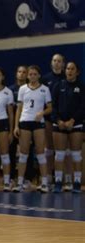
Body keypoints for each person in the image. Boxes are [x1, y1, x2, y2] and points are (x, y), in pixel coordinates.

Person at [13, 65, 52, 193]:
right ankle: (19, 183)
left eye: (35, 74)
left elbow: (50, 108)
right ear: (28, 76)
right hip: (25, 122)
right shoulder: (23, 89)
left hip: (38, 123)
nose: (32, 76)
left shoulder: (45, 89)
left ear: (39, 75)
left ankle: (45, 183)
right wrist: (16, 126)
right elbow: (19, 108)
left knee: (40, 153)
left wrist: (42, 113)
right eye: (30, 74)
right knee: (23, 154)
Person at [51, 61, 84, 193]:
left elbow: (83, 107)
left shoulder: (82, 87)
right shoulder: (58, 86)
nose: (69, 71)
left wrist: (72, 120)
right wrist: (59, 121)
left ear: (77, 72)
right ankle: (58, 181)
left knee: (76, 155)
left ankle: (77, 182)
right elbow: (53, 106)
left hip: (76, 123)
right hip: (59, 124)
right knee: (59, 155)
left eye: (72, 69)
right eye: (68, 69)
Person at [42, 54, 66, 187]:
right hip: (48, 119)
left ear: (63, 64)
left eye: (59, 61)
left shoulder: (67, 77)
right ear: (51, 63)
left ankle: (62, 178)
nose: (57, 63)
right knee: (49, 149)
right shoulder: (45, 79)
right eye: (54, 61)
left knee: (63, 150)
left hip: (62, 119)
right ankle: (49, 177)